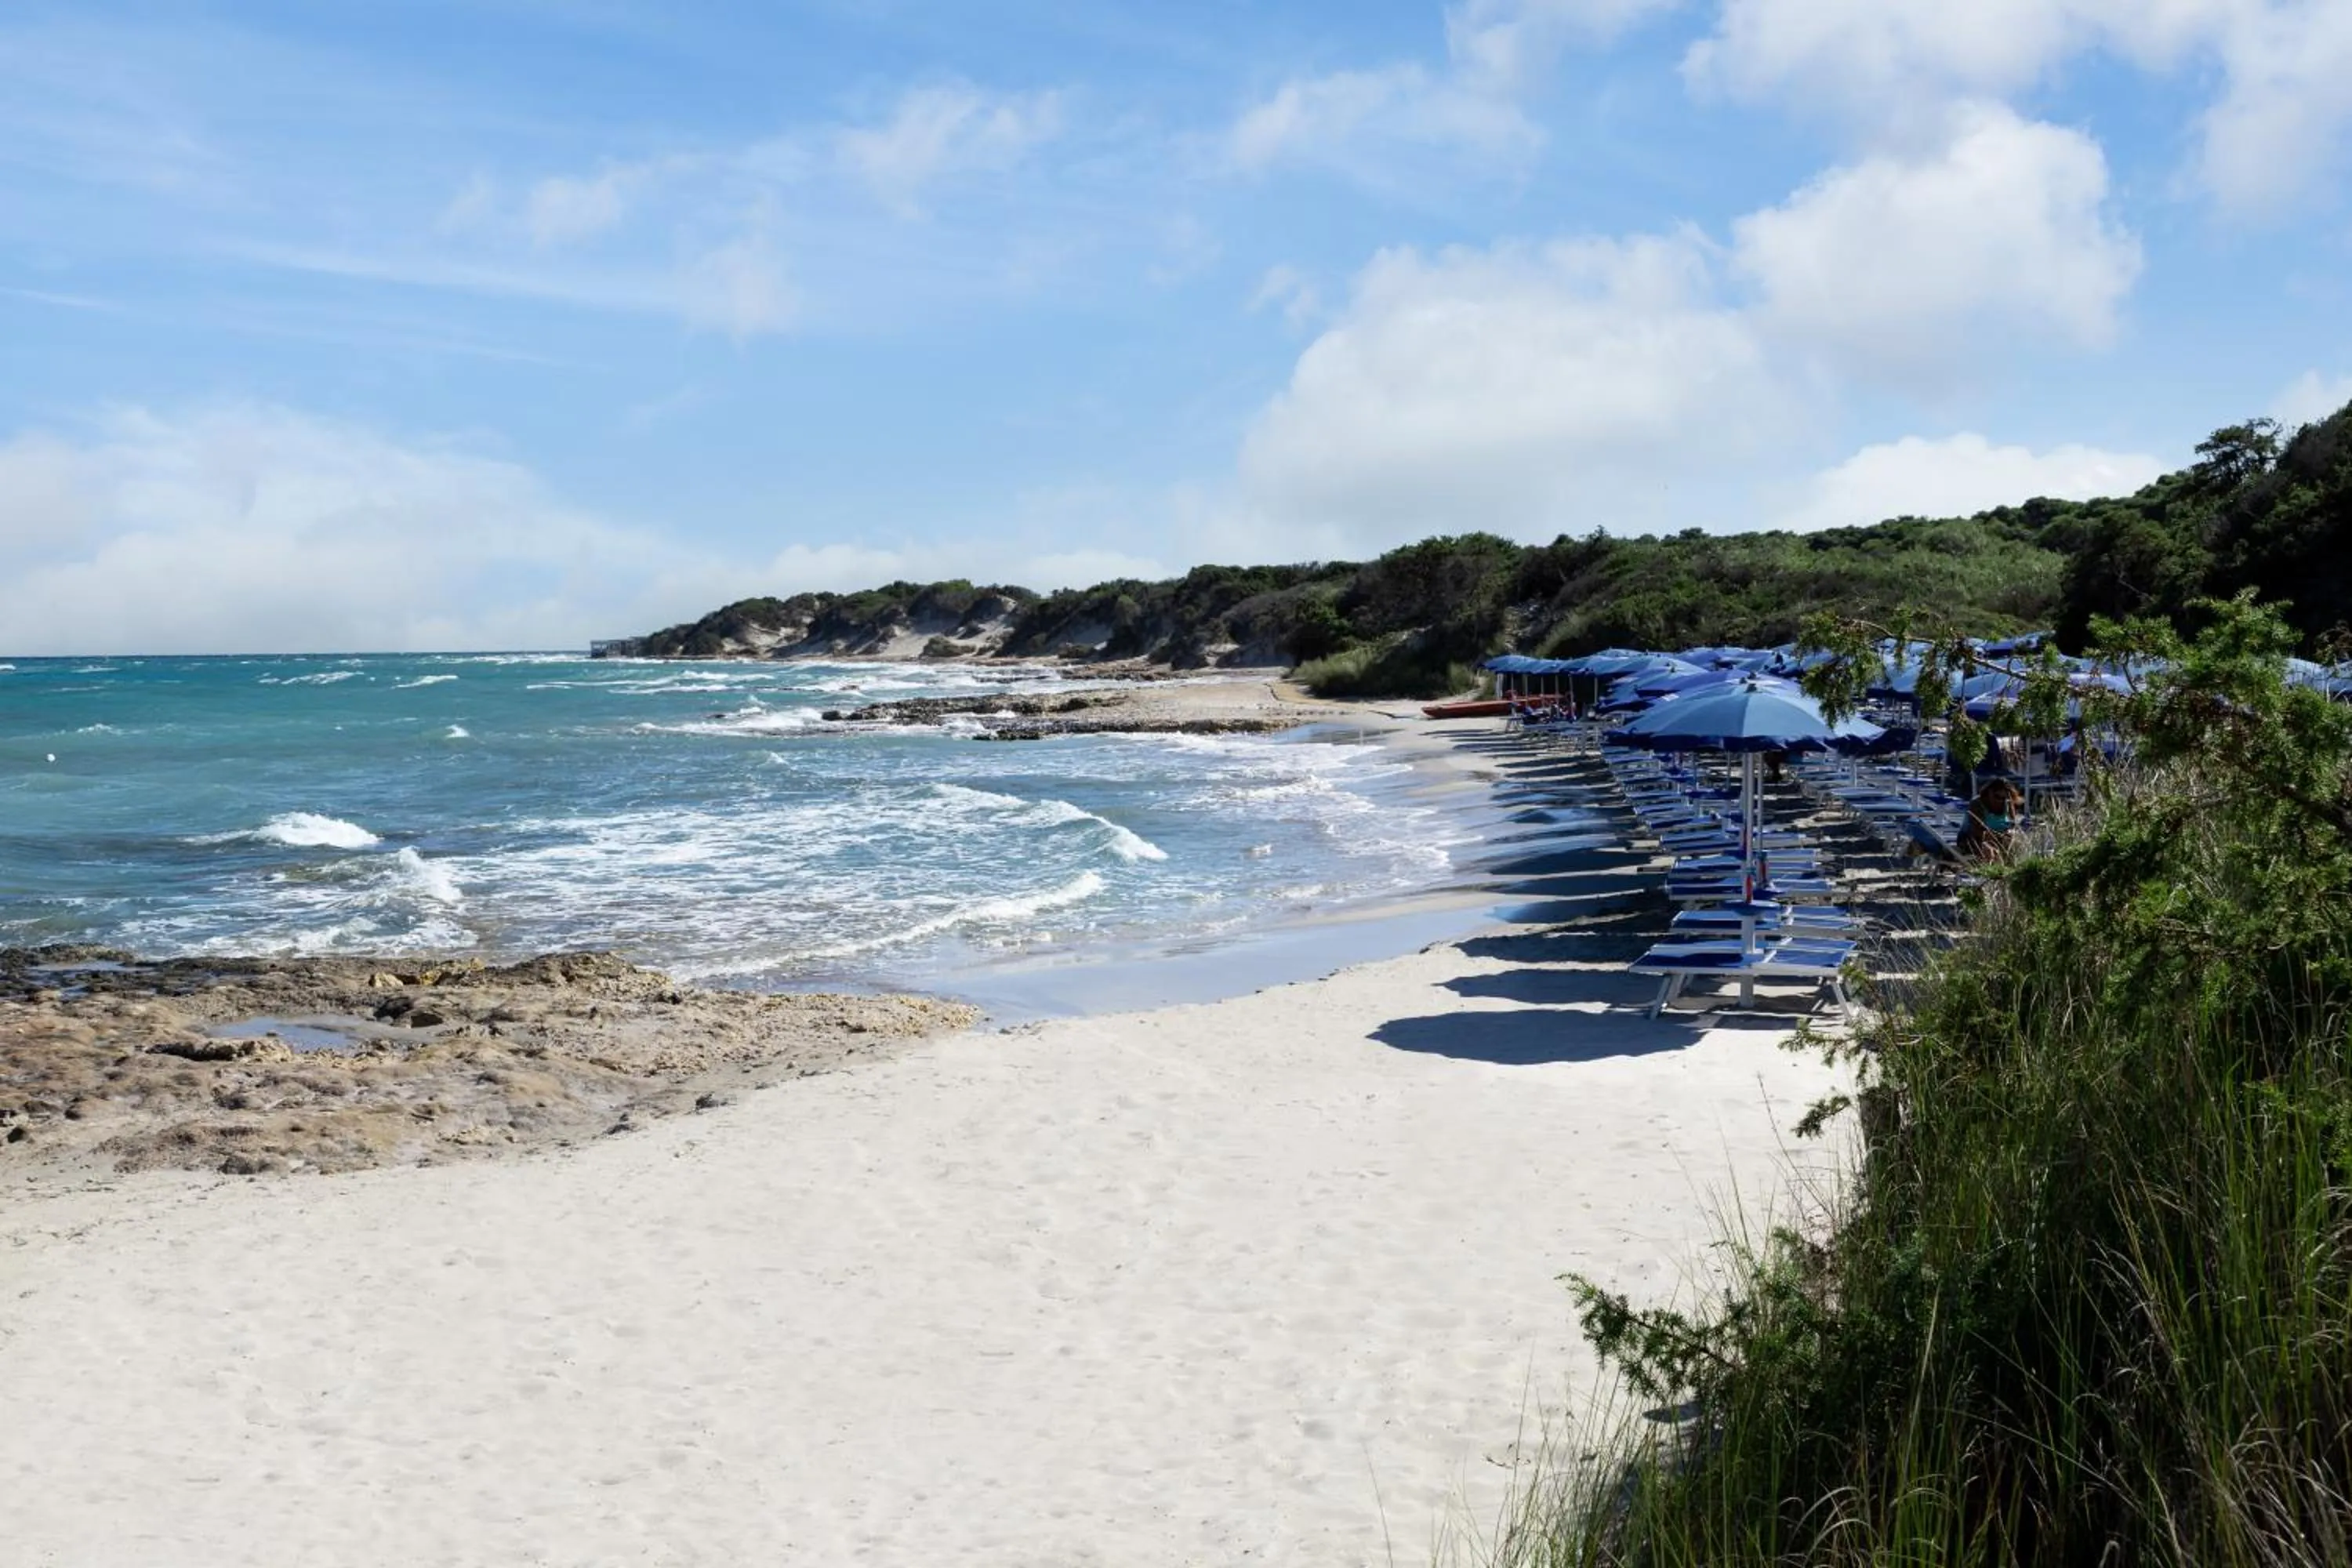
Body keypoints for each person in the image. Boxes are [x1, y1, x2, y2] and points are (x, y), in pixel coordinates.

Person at [1955, 779, 2023, 862]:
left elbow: (2012, 825)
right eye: (1997, 797)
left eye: (2004, 798)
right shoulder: (1977, 804)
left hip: (1999, 839)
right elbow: (1978, 832)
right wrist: (1999, 837)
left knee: (2017, 846)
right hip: (1973, 840)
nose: (2001, 801)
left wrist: (2011, 832)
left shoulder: (2008, 803)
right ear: (1989, 792)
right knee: (1990, 851)